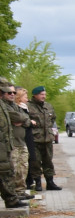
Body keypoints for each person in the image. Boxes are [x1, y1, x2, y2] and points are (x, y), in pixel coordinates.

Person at [0, 78, 30, 209]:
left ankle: (11, 200)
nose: (10, 94)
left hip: (5, 146)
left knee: (8, 173)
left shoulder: (3, 105)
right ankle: (11, 199)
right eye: (6, 92)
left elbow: (22, 119)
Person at [26, 86, 61, 191]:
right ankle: (37, 182)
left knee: (48, 161)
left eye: (45, 94)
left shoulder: (48, 106)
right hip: (35, 138)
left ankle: (50, 182)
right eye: (41, 94)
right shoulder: (28, 106)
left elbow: (52, 118)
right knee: (35, 162)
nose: (44, 97)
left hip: (47, 138)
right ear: (35, 95)